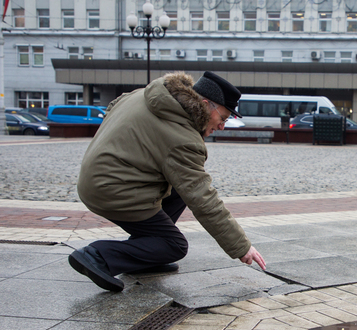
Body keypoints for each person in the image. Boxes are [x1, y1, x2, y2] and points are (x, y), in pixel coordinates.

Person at [68, 71, 266, 292]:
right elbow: (202, 198)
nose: (222, 126)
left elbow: (113, 106)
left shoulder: (146, 94)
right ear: (204, 104)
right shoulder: (181, 136)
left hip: (96, 178)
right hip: (113, 191)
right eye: (223, 118)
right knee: (175, 246)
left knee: (179, 190)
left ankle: (145, 254)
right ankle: (98, 256)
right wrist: (241, 246)